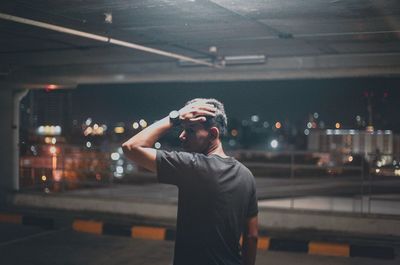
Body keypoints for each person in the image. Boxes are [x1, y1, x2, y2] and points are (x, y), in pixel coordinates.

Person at [122, 98, 258, 265]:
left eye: (191, 130)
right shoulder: (247, 175)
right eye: (182, 128)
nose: (182, 135)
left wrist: (175, 117)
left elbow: (131, 147)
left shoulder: (192, 166)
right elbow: (252, 236)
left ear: (213, 134)